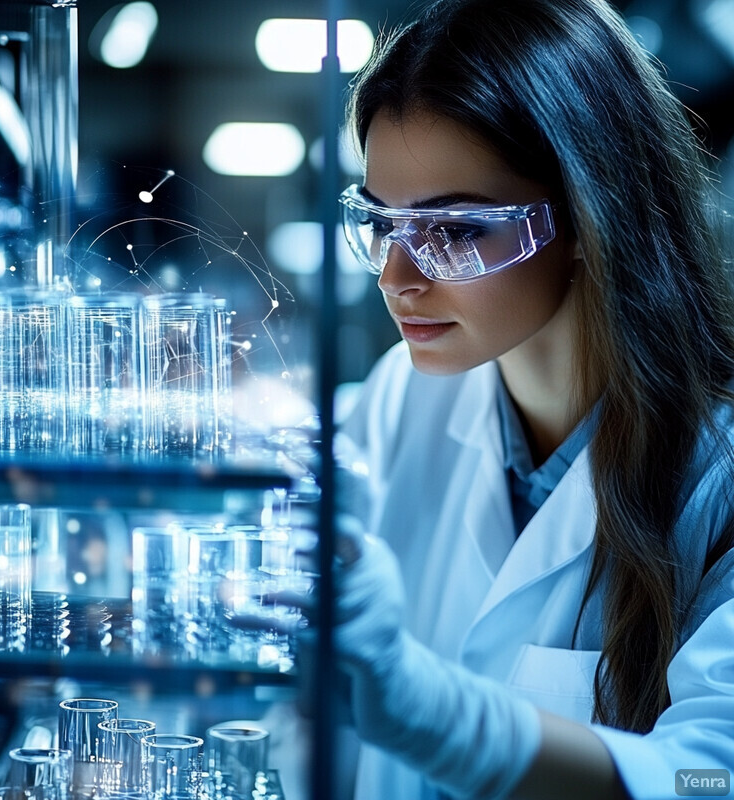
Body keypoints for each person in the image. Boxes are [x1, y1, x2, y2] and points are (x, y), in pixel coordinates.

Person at [314, 0, 734, 798]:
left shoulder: (718, 481)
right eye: (381, 225)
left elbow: (707, 778)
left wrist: (427, 711)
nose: (400, 281)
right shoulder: (399, 403)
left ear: (588, 216)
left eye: (460, 230)